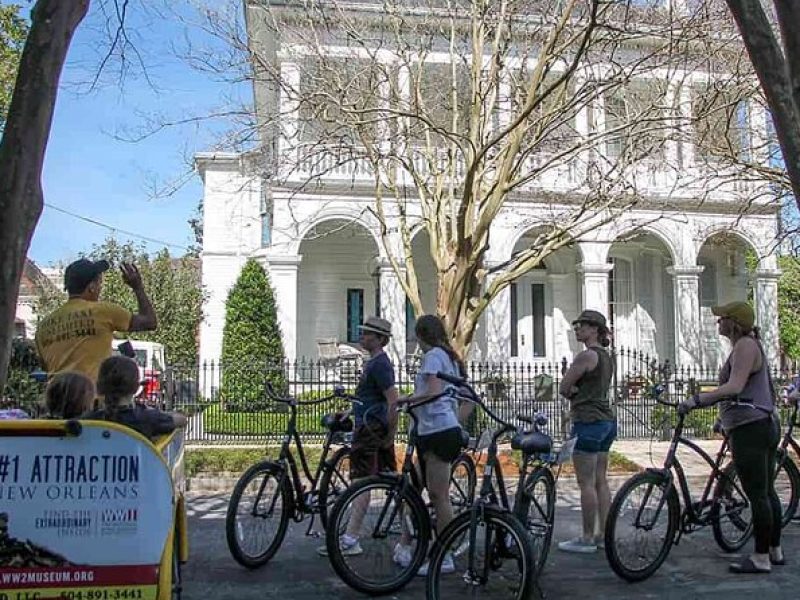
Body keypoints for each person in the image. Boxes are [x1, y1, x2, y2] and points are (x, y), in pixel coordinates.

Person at [678, 301, 783, 573]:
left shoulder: (745, 346)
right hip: (760, 422)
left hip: (752, 428)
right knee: (766, 490)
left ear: (734, 323)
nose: (718, 322)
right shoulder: (747, 345)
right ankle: (774, 550)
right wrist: (722, 418)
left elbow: (734, 386)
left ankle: (760, 558)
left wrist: (698, 400)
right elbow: (751, 389)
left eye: (722, 318)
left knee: (757, 494)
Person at [317, 316, 399, 557]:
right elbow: (370, 399)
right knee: (390, 479)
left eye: (368, 335)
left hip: (370, 430)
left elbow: (392, 400)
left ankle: (351, 539)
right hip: (373, 426)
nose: (362, 337)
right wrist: (351, 410)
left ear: (380, 339)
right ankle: (410, 525)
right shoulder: (373, 362)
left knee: (360, 483)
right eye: (363, 333)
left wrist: (391, 433)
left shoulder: (380, 364)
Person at [394, 314, 466, 576]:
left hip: (439, 430)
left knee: (438, 495)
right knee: (413, 489)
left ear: (421, 335)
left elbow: (434, 391)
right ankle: (408, 543)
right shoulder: (447, 356)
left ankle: (444, 553)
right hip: (433, 429)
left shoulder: (434, 356)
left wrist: (406, 399)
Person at [35, 259, 157, 383]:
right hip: (90, 398)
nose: (100, 288)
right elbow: (150, 322)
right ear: (91, 287)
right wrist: (138, 287)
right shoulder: (103, 311)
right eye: (99, 283)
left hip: (56, 399)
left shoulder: (43, 326)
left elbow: (45, 366)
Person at [557, 309, 616, 554]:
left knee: (586, 483)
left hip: (588, 421)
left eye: (583, 324)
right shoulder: (607, 357)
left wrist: (574, 394)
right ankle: (604, 534)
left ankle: (587, 537)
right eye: (577, 324)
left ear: (595, 330)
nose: (578, 328)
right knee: (601, 481)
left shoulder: (586, 357)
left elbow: (564, 387)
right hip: (606, 422)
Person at [85, 355, 186, 440]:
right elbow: (181, 420)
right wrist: (160, 413)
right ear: (136, 387)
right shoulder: (148, 418)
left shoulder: (87, 421)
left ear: (99, 386)